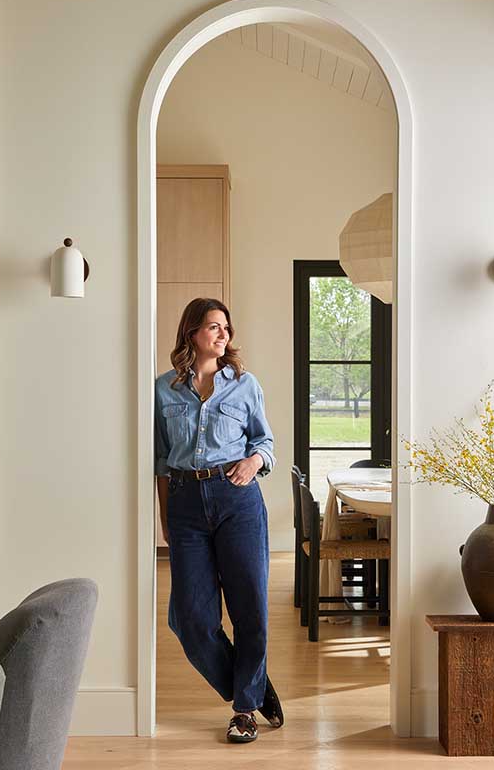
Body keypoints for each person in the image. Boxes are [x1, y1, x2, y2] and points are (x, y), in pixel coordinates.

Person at [154, 297, 283, 744]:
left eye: (225, 326)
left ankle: (244, 710)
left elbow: (265, 442)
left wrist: (254, 462)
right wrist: (166, 518)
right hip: (186, 502)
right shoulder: (163, 389)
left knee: (251, 610)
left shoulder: (245, 385)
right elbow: (159, 461)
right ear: (191, 332)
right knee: (189, 619)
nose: (223, 333)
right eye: (213, 326)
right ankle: (255, 687)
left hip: (238, 500)